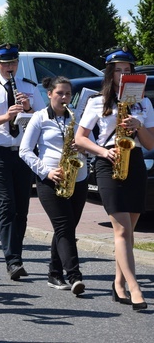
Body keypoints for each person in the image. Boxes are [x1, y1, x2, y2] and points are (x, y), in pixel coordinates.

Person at [75, 47, 152, 310]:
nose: (123, 74)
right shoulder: (98, 102)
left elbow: (151, 144)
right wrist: (102, 151)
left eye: (127, 70)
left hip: (136, 163)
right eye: (117, 70)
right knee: (120, 230)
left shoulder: (144, 103)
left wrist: (139, 126)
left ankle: (118, 285)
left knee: (129, 234)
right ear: (110, 74)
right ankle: (135, 288)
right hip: (109, 164)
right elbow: (80, 138)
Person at [0, 43, 44, 281]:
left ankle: (17, 254)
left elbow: (44, 120)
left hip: (23, 152)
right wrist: (6, 116)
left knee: (21, 209)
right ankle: (13, 260)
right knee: (5, 206)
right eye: (5, 64)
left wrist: (28, 108)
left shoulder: (29, 87)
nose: (10, 68)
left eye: (13, 63)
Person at [20, 76, 88, 295]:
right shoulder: (39, 117)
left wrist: (86, 147)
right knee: (64, 227)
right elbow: (25, 150)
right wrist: (46, 171)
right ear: (49, 94)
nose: (65, 98)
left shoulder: (77, 117)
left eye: (68, 94)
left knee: (66, 228)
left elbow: (91, 142)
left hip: (78, 177)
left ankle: (54, 273)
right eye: (60, 93)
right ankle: (75, 276)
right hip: (50, 179)